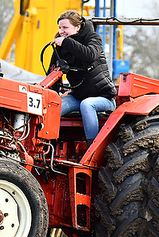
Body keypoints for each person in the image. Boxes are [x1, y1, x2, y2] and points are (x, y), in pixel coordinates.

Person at [49, 10, 117, 146]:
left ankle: (93, 147)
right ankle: (50, 145)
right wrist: (51, 95)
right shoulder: (62, 46)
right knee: (53, 107)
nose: (61, 31)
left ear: (77, 27)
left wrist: (67, 42)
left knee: (87, 104)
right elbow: (52, 75)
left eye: (65, 27)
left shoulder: (93, 38)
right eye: (60, 27)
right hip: (78, 96)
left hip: (104, 98)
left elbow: (89, 55)